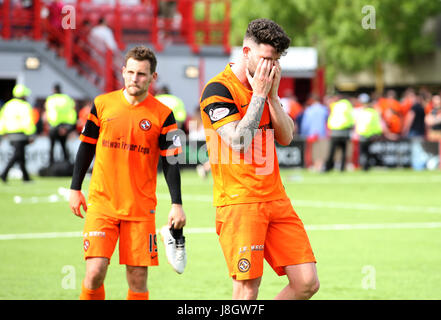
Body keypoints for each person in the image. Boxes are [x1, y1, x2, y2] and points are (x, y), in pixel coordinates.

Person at [199, 18, 319, 300]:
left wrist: (273, 97)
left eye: (275, 60)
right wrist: (259, 95)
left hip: (276, 197)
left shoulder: (268, 88)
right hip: (240, 201)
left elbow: (287, 137)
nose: (271, 67)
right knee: (247, 289)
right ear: (245, 52)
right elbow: (238, 141)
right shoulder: (218, 89)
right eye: (266, 58)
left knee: (306, 282)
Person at [68, 46, 187, 300]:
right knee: (95, 271)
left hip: (141, 208)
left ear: (153, 77)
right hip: (102, 204)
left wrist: (177, 203)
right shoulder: (101, 104)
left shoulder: (164, 115)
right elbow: (86, 147)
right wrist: (75, 188)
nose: (135, 78)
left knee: (137, 277)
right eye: (130, 72)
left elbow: (171, 162)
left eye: (142, 74)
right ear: (123, 72)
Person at [0, 84, 36, 183]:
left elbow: (2, 120)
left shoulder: (8, 105)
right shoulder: (25, 106)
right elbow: (28, 121)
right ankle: (4, 174)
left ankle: (26, 177)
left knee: (20, 155)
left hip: (10, 134)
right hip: (21, 134)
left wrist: (2, 133)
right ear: (23, 95)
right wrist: (31, 134)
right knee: (17, 155)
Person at [44, 83, 77, 166]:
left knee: (52, 147)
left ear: (54, 90)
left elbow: (49, 114)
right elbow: (72, 113)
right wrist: (69, 127)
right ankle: (67, 164)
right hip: (65, 127)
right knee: (64, 146)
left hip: (54, 126)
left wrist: (51, 125)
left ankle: (51, 164)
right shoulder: (67, 99)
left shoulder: (50, 99)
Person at [324, 96, 354, 172]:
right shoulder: (348, 105)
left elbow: (330, 116)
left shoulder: (334, 105)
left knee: (332, 151)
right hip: (345, 131)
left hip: (335, 131)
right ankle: (342, 168)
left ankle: (328, 167)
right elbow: (350, 118)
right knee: (344, 151)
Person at [354, 93, 382, 171]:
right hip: (368, 134)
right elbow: (377, 124)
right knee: (367, 152)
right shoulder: (374, 112)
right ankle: (366, 166)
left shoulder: (361, 111)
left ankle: (365, 166)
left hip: (364, 134)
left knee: (364, 152)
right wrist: (378, 133)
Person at [300, 94, 329, 171]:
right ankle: (320, 165)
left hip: (312, 133)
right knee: (322, 150)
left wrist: (304, 133)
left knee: (313, 150)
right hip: (322, 133)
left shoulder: (309, 110)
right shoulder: (324, 109)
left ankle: (315, 166)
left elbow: (305, 123)